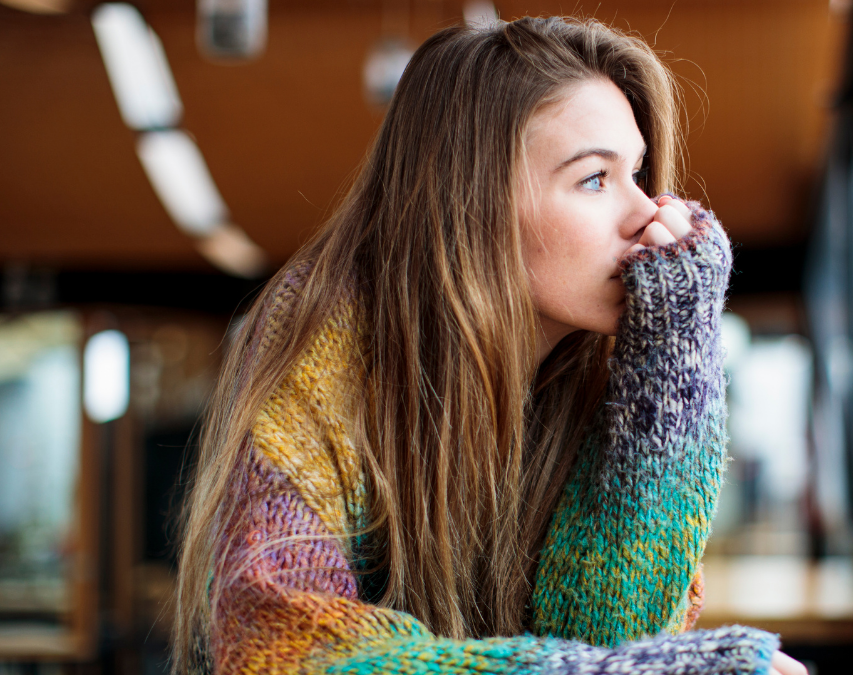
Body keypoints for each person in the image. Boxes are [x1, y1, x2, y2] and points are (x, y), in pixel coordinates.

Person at [174, 15, 807, 675]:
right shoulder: (325, 349)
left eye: (638, 174)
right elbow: (280, 652)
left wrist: (676, 353)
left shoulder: (598, 373)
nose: (647, 212)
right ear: (473, 204)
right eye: (595, 179)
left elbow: (610, 635)